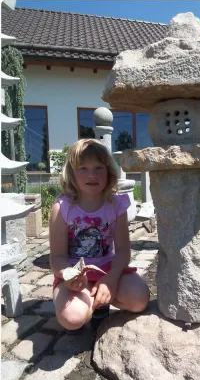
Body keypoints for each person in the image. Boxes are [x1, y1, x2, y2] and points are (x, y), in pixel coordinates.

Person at [49, 138, 150, 330]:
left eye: (98, 168)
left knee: (139, 300)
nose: (91, 175)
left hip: (108, 268)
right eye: (83, 169)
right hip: (74, 273)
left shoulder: (116, 205)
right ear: (71, 173)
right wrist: (69, 277)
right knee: (72, 319)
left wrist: (111, 278)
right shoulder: (62, 207)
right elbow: (57, 258)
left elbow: (122, 251)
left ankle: (99, 300)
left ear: (109, 171)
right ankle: (90, 300)